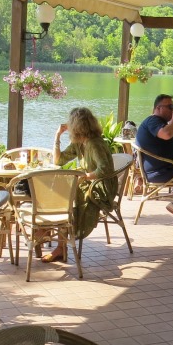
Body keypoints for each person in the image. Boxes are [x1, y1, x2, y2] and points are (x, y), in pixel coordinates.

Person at [44, 107, 117, 263]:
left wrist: (84, 176)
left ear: (78, 125)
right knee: (62, 193)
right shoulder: (79, 143)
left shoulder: (94, 143)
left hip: (101, 188)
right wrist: (57, 136)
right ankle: (58, 241)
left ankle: (55, 239)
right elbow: (59, 160)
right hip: (88, 183)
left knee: (66, 197)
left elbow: (104, 169)